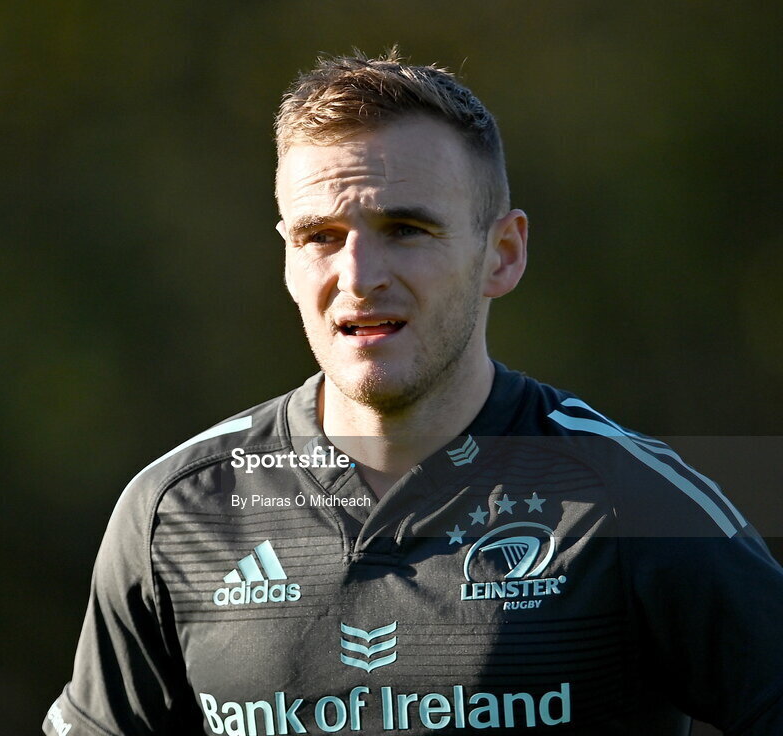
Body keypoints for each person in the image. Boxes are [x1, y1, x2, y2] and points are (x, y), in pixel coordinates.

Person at [43, 49, 783, 736]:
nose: (360, 276)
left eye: (405, 228)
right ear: (287, 259)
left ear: (503, 253)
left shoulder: (630, 504)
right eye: (320, 236)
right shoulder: (175, 513)